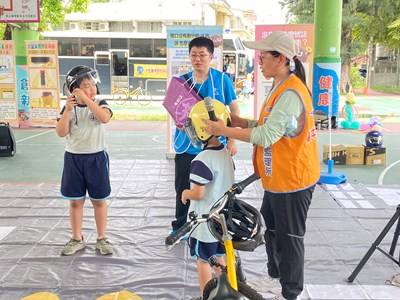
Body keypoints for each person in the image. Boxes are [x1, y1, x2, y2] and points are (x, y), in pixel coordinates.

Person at [202, 31, 320, 300]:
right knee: (272, 230)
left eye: (263, 57)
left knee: (290, 238)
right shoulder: (281, 86)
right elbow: (268, 126)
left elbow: (268, 136)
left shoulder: (291, 92)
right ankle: (275, 277)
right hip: (278, 178)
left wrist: (225, 130)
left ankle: (292, 292)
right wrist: (242, 122)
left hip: (293, 180)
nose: (259, 62)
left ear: (280, 59)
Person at [169, 36, 240, 238]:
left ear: (211, 56)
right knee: (182, 188)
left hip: (217, 146)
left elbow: (233, 109)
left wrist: (233, 139)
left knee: (221, 189)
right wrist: (177, 120)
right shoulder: (181, 82)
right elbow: (174, 110)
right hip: (187, 146)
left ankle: (220, 225)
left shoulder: (221, 79)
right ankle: (180, 226)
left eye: (202, 55)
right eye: (194, 55)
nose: (197, 59)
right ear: (189, 57)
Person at [56, 65, 114, 256]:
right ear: (75, 89)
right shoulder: (68, 107)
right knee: (75, 201)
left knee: (99, 200)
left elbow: (105, 118)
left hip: (96, 158)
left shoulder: (99, 102)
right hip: (73, 158)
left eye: (93, 85)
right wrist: (68, 110)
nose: (92, 89)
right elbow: (61, 132)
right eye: (87, 86)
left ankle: (101, 237)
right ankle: (76, 237)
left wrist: (88, 100)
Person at [181, 100, 235, 299]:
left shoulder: (201, 159)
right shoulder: (226, 153)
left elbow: (198, 193)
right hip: (222, 221)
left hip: (204, 224)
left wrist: (185, 194)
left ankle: (207, 295)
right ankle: (228, 289)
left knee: (203, 260)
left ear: (203, 130)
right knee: (220, 256)